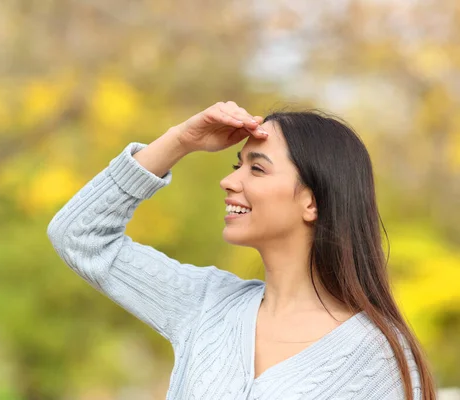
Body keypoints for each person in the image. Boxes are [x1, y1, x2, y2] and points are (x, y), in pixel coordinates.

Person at [47, 101, 436, 399]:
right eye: (238, 164)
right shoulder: (205, 304)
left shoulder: (380, 359)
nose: (228, 181)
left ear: (312, 203)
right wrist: (180, 140)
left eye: (257, 168)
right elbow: (79, 236)